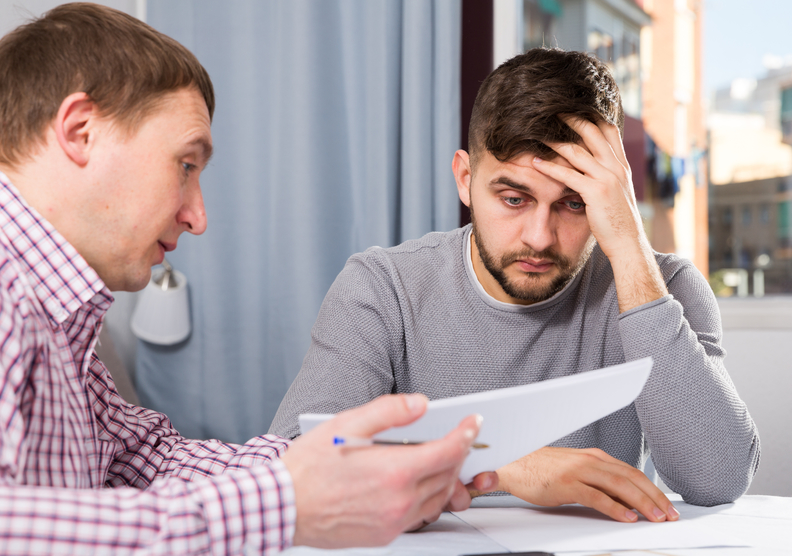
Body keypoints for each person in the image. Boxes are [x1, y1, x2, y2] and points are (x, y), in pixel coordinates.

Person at [0, 4, 497, 556]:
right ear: (81, 131)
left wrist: (348, 474)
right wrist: (285, 504)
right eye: (185, 165)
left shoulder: (58, 315)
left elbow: (146, 458)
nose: (197, 217)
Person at [270, 48, 761, 521]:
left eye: (573, 203)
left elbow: (716, 479)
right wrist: (503, 467)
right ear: (465, 179)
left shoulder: (661, 286)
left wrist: (630, 246)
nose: (539, 237)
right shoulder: (382, 289)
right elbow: (294, 466)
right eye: (513, 198)